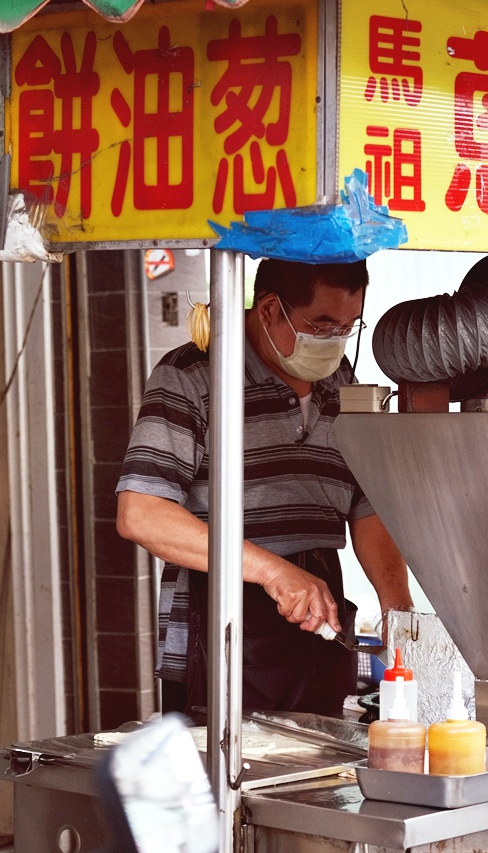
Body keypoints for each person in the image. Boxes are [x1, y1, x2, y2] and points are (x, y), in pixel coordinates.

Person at [116, 258, 414, 718]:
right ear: (271, 309)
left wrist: (398, 608)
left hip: (320, 618)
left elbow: (366, 504)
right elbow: (141, 513)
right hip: (219, 622)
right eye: (322, 324)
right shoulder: (193, 376)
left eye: (347, 327)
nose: (334, 340)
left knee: (318, 777)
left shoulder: (340, 382)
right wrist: (274, 572)